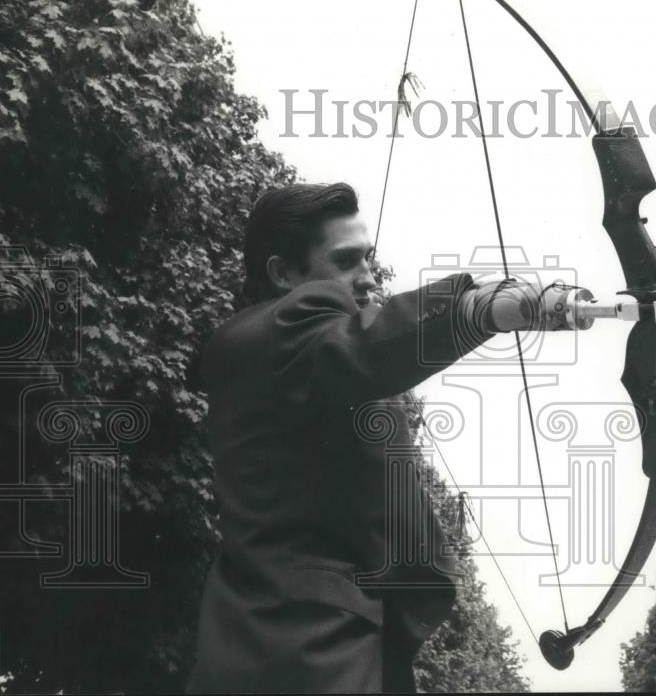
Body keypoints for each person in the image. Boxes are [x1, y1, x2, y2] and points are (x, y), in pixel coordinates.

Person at [186, 183, 576, 693]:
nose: (367, 279)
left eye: (367, 259)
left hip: (298, 640)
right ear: (283, 274)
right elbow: (364, 347)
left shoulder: (301, 367)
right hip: (304, 648)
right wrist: (480, 310)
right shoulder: (276, 332)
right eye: (346, 261)